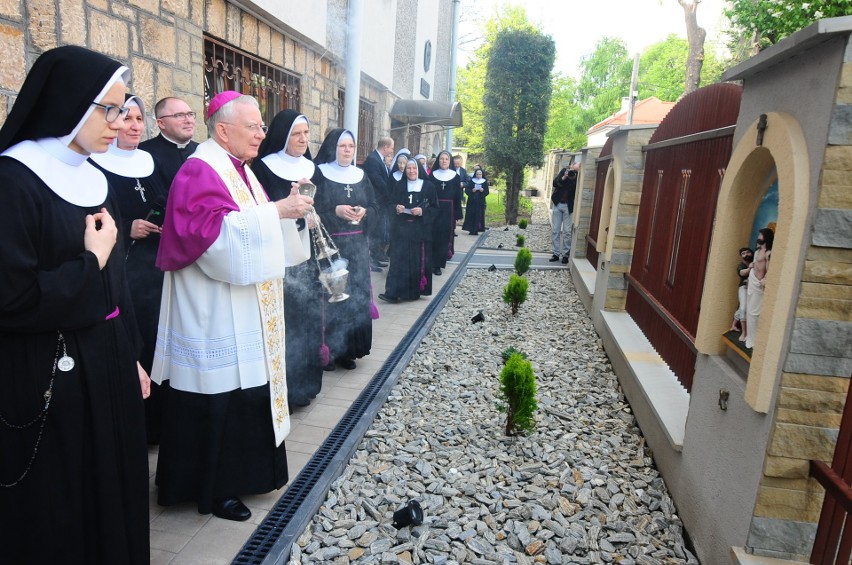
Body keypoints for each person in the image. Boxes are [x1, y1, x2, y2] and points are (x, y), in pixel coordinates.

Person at [0, 45, 150, 565]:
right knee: (64, 495)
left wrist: (131, 352)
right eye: (108, 109)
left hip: (108, 354)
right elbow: (11, 300)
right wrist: (89, 263)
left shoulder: (95, 175)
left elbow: (119, 283)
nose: (119, 121)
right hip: (50, 365)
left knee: (113, 479)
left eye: (122, 108)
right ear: (69, 104)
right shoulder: (14, 180)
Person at [151, 91, 313, 522]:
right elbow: (208, 235)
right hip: (212, 309)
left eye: (262, 126)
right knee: (218, 394)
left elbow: (254, 220)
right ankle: (213, 488)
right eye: (254, 126)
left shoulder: (240, 169)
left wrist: (288, 213)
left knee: (246, 391)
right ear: (223, 130)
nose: (262, 133)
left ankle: (245, 476)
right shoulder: (199, 169)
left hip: (243, 305)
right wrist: (276, 210)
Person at [90, 93, 169, 444]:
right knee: (134, 343)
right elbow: (92, 221)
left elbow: (166, 203)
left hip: (156, 269)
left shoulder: (150, 162)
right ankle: (137, 424)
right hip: (124, 272)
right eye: (128, 117)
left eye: (139, 119)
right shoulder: (96, 164)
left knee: (158, 341)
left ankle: (159, 422)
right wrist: (128, 226)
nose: (134, 125)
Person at [252, 110, 325, 407]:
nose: (303, 139)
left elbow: (324, 206)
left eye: (306, 133)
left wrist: (314, 217)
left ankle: (306, 386)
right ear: (283, 135)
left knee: (308, 318)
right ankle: (283, 390)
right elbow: (260, 209)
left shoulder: (312, 168)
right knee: (284, 322)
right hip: (277, 257)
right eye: (297, 133)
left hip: (306, 258)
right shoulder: (263, 168)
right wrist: (293, 216)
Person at [315, 128, 379, 371]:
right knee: (332, 297)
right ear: (333, 147)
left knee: (356, 297)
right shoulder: (320, 174)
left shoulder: (361, 176)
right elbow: (312, 211)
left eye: (350, 146)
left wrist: (365, 213)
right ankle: (330, 351)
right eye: (342, 146)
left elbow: (375, 206)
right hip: (330, 248)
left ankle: (349, 351)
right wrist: (335, 212)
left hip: (358, 249)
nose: (346, 150)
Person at [379, 156, 439, 303]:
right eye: (408, 168)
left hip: (419, 231)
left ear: (419, 169)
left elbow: (435, 209)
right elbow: (390, 204)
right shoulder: (399, 186)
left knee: (416, 261)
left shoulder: (428, 186)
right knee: (398, 261)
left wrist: (422, 211)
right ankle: (392, 293)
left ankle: (412, 292)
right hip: (401, 229)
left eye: (414, 168)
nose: (411, 171)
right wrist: (396, 208)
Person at [139, 96, 199, 188]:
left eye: (190, 114)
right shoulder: (144, 154)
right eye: (179, 115)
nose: (188, 120)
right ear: (161, 123)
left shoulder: (202, 151)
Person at [428, 150, 463, 275]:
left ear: (450, 162)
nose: (444, 161)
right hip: (434, 209)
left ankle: (438, 265)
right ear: (438, 160)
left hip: (449, 210)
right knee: (432, 235)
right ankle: (430, 262)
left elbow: (458, 196)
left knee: (443, 237)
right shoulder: (432, 175)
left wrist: (458, 214)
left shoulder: (455, 176)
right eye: (442, 159)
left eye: (446, 159)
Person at [361, 136, 394, 268]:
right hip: (375, 201)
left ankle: (376, 256)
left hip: (380, 202)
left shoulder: (378, 159)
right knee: (373, 232)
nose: (392, 151)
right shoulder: (372, 160)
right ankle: (371, 260)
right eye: (391, 147)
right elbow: (377, 181)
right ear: (385, 147)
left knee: (379, 231)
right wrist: (390, 193)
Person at [744, 228, 773, 349]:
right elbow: (755, 263)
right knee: (748, 310)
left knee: (753, 312)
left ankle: (754, 339)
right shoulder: (758, 250)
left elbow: (769, 270)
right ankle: (749, 337)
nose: (759, 237)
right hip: (752, 280)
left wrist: (764, 280)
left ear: (765, 237)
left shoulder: (768, 253)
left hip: (758, 285)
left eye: (761, 235)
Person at [551, 163, 579, 264]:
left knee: (567, 232)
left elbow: (576, 188)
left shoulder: (578, 176)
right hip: (558, 204)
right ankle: (556, 253)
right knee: (555, 230)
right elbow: (555, 183)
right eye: (574, 165)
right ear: (571, 165)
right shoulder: (564, 171)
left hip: (568, 207)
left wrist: (575, 176)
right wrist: (564, 177)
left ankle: (566, 255)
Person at [728, 247, 753, 336]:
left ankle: (734, 325)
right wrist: (750, 269)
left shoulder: (754, 261)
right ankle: (744, 332)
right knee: (743, 308)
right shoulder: (741, 266)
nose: (746, 255)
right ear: (741, 256)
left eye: (748, 252)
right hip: (744, 288)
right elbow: (742, 273)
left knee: (742, 308)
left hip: (753, 289)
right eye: (743, 253)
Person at [462, 167, 489, 236]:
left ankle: (477, 229)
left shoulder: (484, 182)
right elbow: (467, 190)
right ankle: (471, 229)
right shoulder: (472, 181)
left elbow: (487, 192)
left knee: (479, 215)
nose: (478, 175)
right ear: (475, 174)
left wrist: (483, 191)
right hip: (472, 201)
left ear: (482, 174)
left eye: (480, 174)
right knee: (471, 215)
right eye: (477, 174)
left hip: (480, 202)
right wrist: (472, 190)